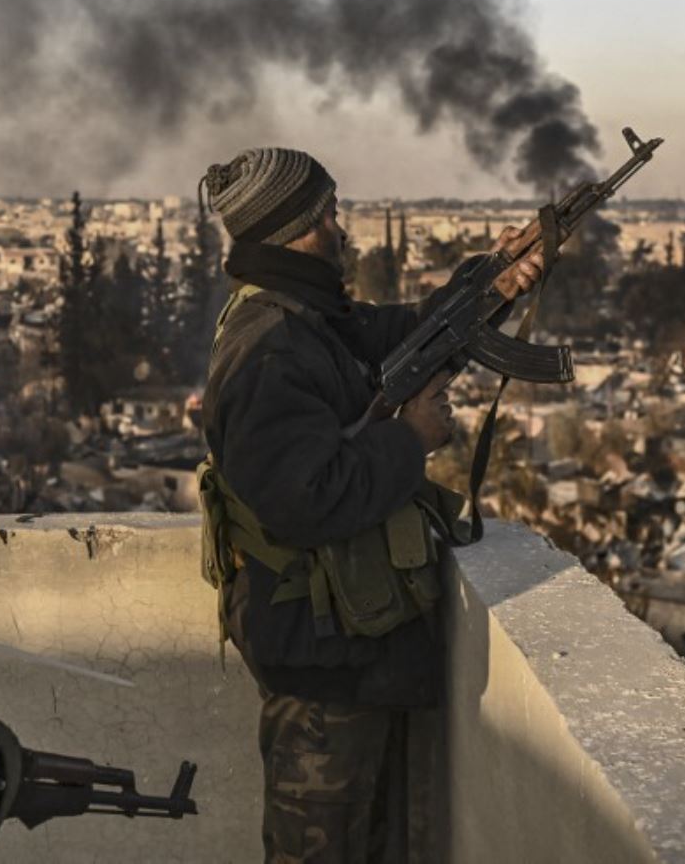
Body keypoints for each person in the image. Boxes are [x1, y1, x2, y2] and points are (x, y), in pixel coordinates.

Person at [197, 147, 540, 863]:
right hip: (320, 669)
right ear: (295, 227)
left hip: (350, 649)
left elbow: (409, 337)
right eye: (327, 214)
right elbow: (305, 496)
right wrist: (411, 437)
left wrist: (493, 280)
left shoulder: (305, 318)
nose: (340, 227)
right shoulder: (270, 348)